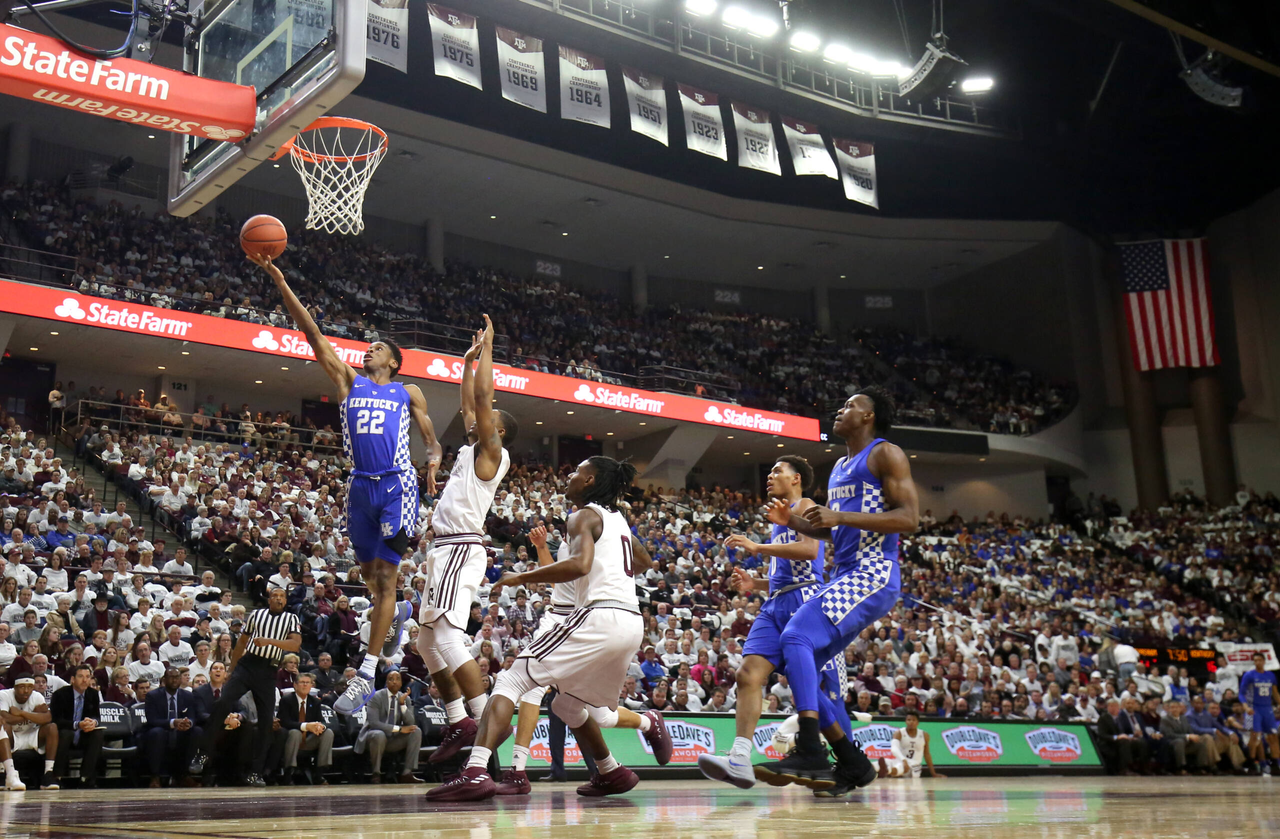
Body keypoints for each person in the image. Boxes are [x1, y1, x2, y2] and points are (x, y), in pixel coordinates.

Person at [248, 253, 442, 718]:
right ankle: (392, 617)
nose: (368, 349)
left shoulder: (406, 391)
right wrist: (279, 280)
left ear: (393, 361)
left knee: (388, 577)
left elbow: (431, 437)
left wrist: (434, 459)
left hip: (396, 484)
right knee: (372, 580)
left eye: (377, 346)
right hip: (359, 487)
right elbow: (313, 335)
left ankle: (370, 668)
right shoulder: (348, 382)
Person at [427, 457, 651, 801]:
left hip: (599, 616)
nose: (570, 476)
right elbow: (644, 562)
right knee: (570, 706)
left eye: (576, 471)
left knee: (512, 679)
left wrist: (522, 576)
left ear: (590, 480)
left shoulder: (583, 515)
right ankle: (610, 771)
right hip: (631, 622)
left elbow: (580, 565)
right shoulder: (617, 520)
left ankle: (474, 771)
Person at [756, 388, 917, 790]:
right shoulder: (841, 467)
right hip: (847, 573)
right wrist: (792, 522)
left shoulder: (885, 453)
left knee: (794, 635)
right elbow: (829, 529)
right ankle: (852, 763)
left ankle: (810, 748)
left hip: (874, 570)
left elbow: (909, 518)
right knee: (797, 664)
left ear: (869, 416)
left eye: (851, 406)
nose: (841, 409)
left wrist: (839, 514)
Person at [700, 455, 863, 795]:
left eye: (778, 471)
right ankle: (740, 759)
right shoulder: (779, 516)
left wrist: (756, 546)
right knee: (747, 674)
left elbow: (807, 550)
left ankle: (844, 765)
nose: (770, 476)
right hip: (776, 603)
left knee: (819, 691)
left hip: (806, 602)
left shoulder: (805, 505)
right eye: (770, 470)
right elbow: (785, 573)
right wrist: (754, 584)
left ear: (797, 479)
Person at [492, 525, 670, 795]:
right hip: (561, 618)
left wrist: (523, 577)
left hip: (586, 620)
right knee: (553, 698)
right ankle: (520, 770)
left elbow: (637, 562)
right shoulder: (575, 529)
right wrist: (541, 549)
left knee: (599, 715)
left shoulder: (599, 530)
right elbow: (559, 581)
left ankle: (646, 725)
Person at [417, 317, 517, 761]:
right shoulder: (470, 447)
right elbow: (468, 403)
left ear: (499, 431)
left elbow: (481, 397)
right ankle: (459, 721)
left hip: (460, 547)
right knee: (424, 641)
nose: (478, 417)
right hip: (444, 548)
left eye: (488, 417)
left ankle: (483, 725)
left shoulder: (494, 452)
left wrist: (489, 351)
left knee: (448, 638)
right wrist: (466, 363)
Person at [193, 586, 301, 787]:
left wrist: (269, 641)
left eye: (282, 596)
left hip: (269, 671)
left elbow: (295, 645)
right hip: (247, 664)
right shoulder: (257, 615)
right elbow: (242, 642)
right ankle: (202, 753)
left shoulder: (291, 619)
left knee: (266, 721)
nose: (278, 598)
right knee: (223, 702)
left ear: (285, 601)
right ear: (269, 599)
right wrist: (232, 670)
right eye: (274, 596)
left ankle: (255, 772)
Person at [356, 669, 422, 784]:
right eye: (391, 679)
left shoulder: (405, 698)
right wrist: (400, 729)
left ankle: (407, 773)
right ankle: (376, 773)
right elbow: (374, 723)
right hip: (372, 737)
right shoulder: (375, 697)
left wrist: (402, 705)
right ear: (386, 683)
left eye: (397, 679)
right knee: (379, 734)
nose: (394, 682)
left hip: (393, 739)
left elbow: (411, 723)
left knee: (416, 731)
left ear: (401, 683)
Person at [0, 676, 60, 790]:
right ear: (15, 687)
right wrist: (34, 715)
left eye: (30, 687)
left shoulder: (37, 696)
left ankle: (48, 773)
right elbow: (4, 717)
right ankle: (3, 772)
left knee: (52, 727)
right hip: (13, 735)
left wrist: (21, 713)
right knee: (4, 726)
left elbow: (47, 718)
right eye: (22, 687)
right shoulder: (4, 695)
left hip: (32, 735)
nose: (26, 691)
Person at [50, 663, 104, 788]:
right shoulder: (60, 694)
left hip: (83, 735)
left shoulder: (93, 694)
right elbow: (56, 720)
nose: (85, 680)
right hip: (65, 734)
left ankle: (86, 778)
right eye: (81, 676)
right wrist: (77, 724)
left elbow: (97, 716)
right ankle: (57, 777)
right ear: (72, 679)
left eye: (88, 676)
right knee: (66, 733)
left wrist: (93, 723)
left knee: (97, 733)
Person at [143, 667, 199, 787]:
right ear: (164, 679)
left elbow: (193, 717)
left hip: (181, 732)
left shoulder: (188, 695)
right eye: (171, 677)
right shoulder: (153, 696)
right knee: (157, 733)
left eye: (177, 677)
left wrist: (188, 723)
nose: (174, 680)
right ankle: (155, 776)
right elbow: (152, 720)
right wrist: (173, 723)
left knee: (197, 731)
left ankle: (184, 775)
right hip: (161, 730)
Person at [279, 671, 333, 785]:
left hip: (309, 740)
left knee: (328, 732)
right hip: (290, 740)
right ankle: (289, 772)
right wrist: (305, 726)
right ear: (295, 685)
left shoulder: (315, 701)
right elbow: (284, 722)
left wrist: (320, 726)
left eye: (308, 683)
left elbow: (322, 720)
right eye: (302, 682)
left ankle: (319, 773)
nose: (305, 685)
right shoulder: (286, 700)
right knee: (295, 733)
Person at [1238, 652, 1280, 774]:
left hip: (1267, 708)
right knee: (1255, 736)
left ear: (1264, 661)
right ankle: (1251, 762)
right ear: (1253, 662)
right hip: (1253, 708)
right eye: (1255, 660)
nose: (1258, 662)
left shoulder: (1271, 675)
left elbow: (1275, 693)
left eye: (1260, 660)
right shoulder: (1249, 675)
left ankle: (1274, 764)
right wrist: (1246, 707)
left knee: (1273, 736)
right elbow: (1241, 693)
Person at [878, 711, 943, 779]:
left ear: (918, 722)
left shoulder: (924, 735)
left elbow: (927, 754)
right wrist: (903, 760)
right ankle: (877, 773)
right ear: (905, 721)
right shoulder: (899, 733)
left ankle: (887, 771)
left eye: (913, 720)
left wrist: (933, 773)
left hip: (914, 766)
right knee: (882, 763)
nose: (911, 722)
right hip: (901, 761)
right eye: (909, 720)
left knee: (900, 767)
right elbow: (894, 749)